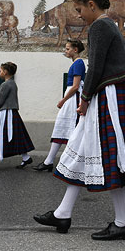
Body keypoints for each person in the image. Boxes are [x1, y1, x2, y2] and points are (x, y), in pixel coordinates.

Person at [34, 0, 125, 240]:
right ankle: (62, 214)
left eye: (79, 9)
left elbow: (94, 67)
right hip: (110, 95)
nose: (77, 14)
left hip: (107, 95)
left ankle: (123, 222)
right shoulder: (107, 25)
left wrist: (84, 98)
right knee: (84, 150)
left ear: (91, 5)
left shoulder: (99, 26)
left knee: (112, 156)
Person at [34, 40, 86, 172]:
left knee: (71, 130)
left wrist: (63, 100)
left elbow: (75, 86)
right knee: (62, 128)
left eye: (68, 48)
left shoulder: (79, 63)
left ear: (75, 50)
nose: (66, 51)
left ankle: (66, 162)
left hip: (73, 99)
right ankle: (49, 161)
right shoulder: (76, 63)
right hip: (71, 98)